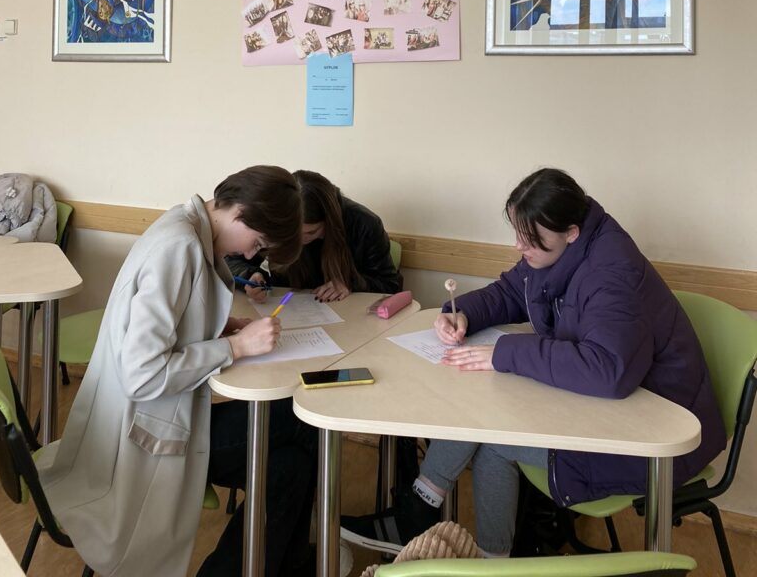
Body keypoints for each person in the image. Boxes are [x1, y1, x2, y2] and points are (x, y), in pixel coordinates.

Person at [340, 167, 726, 558]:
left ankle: (444, 527)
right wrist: (462, 314)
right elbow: (513, 290)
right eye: (518, 234)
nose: (518, 246)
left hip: (654, 431)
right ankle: (443, 524)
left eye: (529, 239)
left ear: (570, 232)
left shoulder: (611, 272)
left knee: (494, 436)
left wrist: (505, 352)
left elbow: (608, 370)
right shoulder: (562, 247)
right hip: (607, 406)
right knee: (489, 416)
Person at [39, 165, 315, 577]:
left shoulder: (185, 225)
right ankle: (290, 563)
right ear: (241, 212)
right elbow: (143, 374)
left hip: (157, 417)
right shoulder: (179, 247)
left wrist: (221, 326)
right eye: (258, 243)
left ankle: (279, 565)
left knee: (291, 466)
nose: (251, 255)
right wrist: (236, 347)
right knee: (301, 424)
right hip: (139, 435)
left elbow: (170, 321)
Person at [228, 169, 402, 303]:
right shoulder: (275, 221)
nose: (301, 241)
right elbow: (231, 261)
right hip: (289, 309)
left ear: (329, 222)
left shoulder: (363, 223)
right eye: (293, 234)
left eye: (311, 232)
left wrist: (350, 283)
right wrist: (251, 276)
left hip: (348, 315)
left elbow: (391, 285)